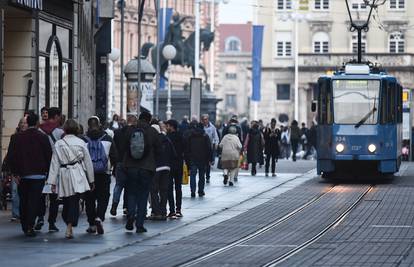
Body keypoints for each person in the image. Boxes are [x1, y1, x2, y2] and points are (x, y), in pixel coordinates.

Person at [47, 119, 95, 239]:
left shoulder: (59, 143)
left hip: (64, 174)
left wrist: (51, 182)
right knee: (74, 200)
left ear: (64, 129)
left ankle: (68, 223)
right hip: (77, 172)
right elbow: (88, 162)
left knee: (67, 201)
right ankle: (70, 223)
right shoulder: (81, 142)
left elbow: (54, 163)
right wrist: (91, 179)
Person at [7, 112, 52, 237]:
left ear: (27, 123)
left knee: (24, 199)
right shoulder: (43, 137)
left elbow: (11, 156)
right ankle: (30, 225)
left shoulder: (17, 137)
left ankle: (25, 224)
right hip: (38, 174)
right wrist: (49, 172)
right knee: (34, 200)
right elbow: (49, 156)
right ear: (37, 122)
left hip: (23, 174)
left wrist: (15, 173)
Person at [123, 111, 161, 233]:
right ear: (149, 120)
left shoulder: (130, 130)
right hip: (147, 168)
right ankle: (139, 224)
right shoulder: (153, 132)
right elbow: (159, 149)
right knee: (143, 195)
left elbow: (124, 146)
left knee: (132, 193)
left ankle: (130, 215)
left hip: (131, 167)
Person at [84, 116, 117, 235]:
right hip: (104, 173)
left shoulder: (84, 140)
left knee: (89, 199)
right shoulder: (107, 139)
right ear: (99, 125)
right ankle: (99, 217)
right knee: (103, 197)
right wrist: (113, 170)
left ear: (88, 125)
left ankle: (91, 224)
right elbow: (114, 156)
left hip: (88, 175)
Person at [36, 107, 64, 232]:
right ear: (57, 116)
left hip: (41, 166)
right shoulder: (60, 132)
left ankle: (40, 217)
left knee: (41, 195)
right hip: (55, 167)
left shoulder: (39, 130)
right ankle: (52, 222)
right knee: (54, 197)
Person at [2, 117, 29, 221]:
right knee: (15, 191)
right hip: (16, 167)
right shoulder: (14, 137)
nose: (23, 125)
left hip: (27, 168)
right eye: (21, 123)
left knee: (24, 191)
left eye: (25, 123)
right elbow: (11, 153)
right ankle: (16, 214)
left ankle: (24, 213)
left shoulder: (30, 137)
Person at [110, 115, 137, 217]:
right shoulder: (136, 133)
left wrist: (114, 163)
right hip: (132, 163)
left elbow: (114, 149)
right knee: (131, 187)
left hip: (120, 162)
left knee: (119, 185)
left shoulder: (117, 133)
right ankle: (128, 208)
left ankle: (114, 205)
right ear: (135, 122)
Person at [149, 122, 176, 220]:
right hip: (166, 168)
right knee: (164, 190)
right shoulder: (167, 139)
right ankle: (163, 211)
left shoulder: (153, 140)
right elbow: (174, 154)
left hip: (156, 168)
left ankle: (156, 212)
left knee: (154, 190)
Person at [185, 122, 212, 198]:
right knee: (201, 176)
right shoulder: (205, 136)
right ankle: (200, 191)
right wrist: (210, 159)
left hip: (193, 158)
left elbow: (187, 149)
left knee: (193, 175)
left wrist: (187, 159)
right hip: (203, 159)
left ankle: (193, 191)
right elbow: (209, 148)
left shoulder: (190, 136)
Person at [166, 119, 184, 218]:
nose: (166, 128)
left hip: (169, 165)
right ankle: (178, 209)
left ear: (171, 126)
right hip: (179, 165)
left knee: (169, 188)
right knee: (178, 188)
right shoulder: (181, 136)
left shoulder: (167, 137)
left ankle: (172, 210)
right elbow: (186, 151)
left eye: (167, 126)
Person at [201, 114, 219, 183]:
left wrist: (216, 143)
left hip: (209, 147)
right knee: (202, 162)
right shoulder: (200, 127)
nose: (205, 121)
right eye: (204, 119)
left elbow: (215, 136)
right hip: (201, 146)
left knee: (208, 162)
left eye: (206, 119)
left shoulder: (212, 127)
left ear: (208, 119)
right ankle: (202, 174)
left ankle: (207, 176)